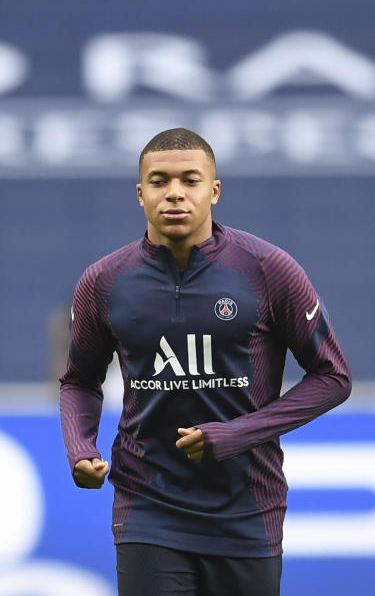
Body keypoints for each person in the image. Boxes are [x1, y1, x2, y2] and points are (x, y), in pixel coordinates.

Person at [59, 127, 352, 596]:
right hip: (147, 506)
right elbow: (79, 381)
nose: (174, 193)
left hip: (246, 509)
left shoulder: (268, 270)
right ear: (140, 194)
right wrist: (81, 448)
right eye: (159, 181)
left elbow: (333, 377)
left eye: (189, 181)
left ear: (213, 191)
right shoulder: (104, 281)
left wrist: (235, 434)